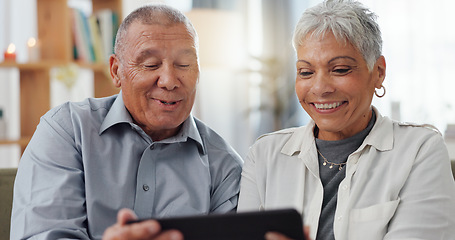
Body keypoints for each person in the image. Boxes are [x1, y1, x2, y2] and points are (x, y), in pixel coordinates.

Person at [11, 4, 243, 240]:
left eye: (184, 65)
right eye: (151, 64)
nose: (169, 81)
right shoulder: (67, 131)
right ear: (116, 71)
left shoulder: (224, 166)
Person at [237, 0, 455, 240]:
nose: (319, 88)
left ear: (378, 72)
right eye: (306, 72)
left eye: (340, 69)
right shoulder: (264, 155)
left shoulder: (420, 151)